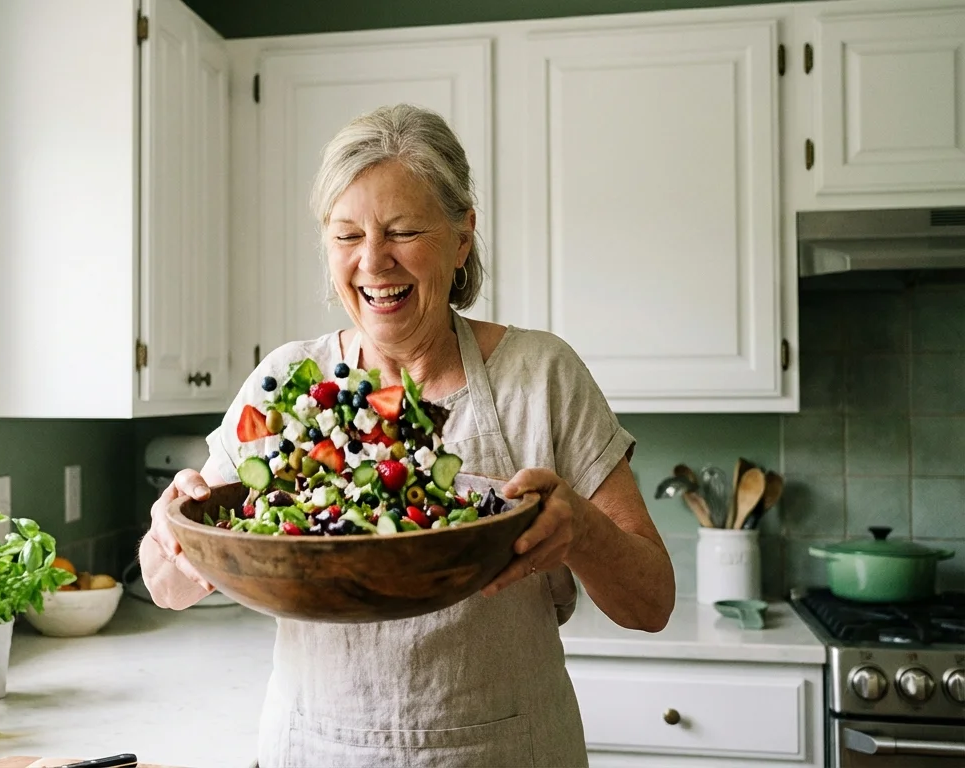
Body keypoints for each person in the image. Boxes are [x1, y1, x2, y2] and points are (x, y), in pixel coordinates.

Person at [139, 103, 676, 767]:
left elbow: (652, 604)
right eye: (346, 236)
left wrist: (584, 530)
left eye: (401, 231)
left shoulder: (540, 376)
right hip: (316, 751)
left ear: (460, 238)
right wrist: (176, 527)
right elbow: (168, 586)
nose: (373, 261)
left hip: (503, 751)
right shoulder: (284, 384)